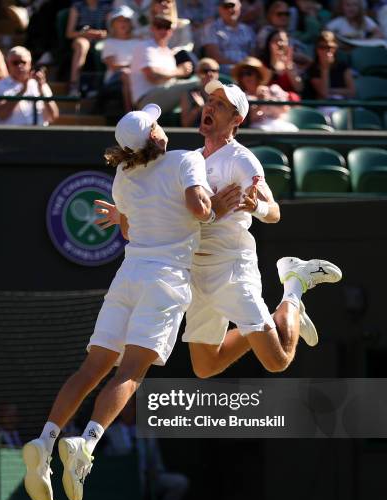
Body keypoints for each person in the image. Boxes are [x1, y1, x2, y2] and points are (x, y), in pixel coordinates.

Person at [22, 103, 235, 500]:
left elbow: (127, 228)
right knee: (131, 374)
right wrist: (217, 207)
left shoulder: (123, 174)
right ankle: (85, 444)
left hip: (129, 276)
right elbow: (199, 209)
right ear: (155, 136)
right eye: (156, 123)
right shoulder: (185, 159)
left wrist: (129, 212)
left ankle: (46, 438)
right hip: (165, 281)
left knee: (91, 369)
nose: (161, 125)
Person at [97, 81, 342, 379]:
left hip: (232, 269)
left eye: (220, 105)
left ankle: (293, 289)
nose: (209, 107)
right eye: (209, 101)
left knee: (276, 361)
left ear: (236, 120)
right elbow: (172, 207)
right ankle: (267, 322)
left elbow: (274, 212)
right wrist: (126, 211)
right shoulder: (191, 159)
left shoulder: (241, 159)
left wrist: (256, 208)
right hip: (195, 272)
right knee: (205, 366)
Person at [129, 11, 197, 111]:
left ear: (172, 30)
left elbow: (163, 79)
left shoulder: (169, 52)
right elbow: (152, 76)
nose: (163, 30)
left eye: (167, 26)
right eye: (159, 26)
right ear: (152, 28)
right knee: (198, 84)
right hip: (147, 101)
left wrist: (167, 74)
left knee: (202, 82)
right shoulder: (144, 46)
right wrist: (180, 71)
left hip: (164, 95)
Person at [0, 46, 59, 125]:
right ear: (8, 64)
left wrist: (41, 90)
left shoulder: (40, 84)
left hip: (38, 134)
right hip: (10, 134)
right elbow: (1, 115)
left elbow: (53, 116)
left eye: (23, 62)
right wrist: (22, 91)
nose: (19, 66)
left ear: (30, 64)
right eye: (15, 63)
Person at [97, 5, 140, 115]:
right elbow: (113, 66)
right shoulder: (109, 43)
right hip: (114, 80)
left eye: (126, 20)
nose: (123, 23)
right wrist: (133, 67)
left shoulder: (139, 42)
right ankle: (130, 114)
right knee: (126, 73)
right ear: (113, 23)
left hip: (137, 77)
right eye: (119, 20)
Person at [304, 30, 355, 119]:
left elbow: (351, 91)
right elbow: (324, 93)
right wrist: (325, 68)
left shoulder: (343, 66)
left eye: (330, 47)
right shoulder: (312, 69)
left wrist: (332, 91)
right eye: (322, 47)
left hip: (343, 103)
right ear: (316, 49)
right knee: (332, 113)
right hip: (324, 106)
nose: (326, 51)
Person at [66, 0, 111, 95]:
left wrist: (102, 34)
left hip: (101, 40)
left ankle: (104, 86)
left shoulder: (106, 6)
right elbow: (69, 33)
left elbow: (112, 30)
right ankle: (74, 85)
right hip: (82, 37)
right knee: (81, 45)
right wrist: (86, 33)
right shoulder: (77, 6)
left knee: (106, 46)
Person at [203, 0, 256, 75]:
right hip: (224, 72)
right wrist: (239, 66)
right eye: (226, 6)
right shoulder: (212, 28)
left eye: (232, 6)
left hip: (247, 70)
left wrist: (246, 66)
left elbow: (253, 54)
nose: (230, 9)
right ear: (220, 9)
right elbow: (214, 56)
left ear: (239, 6)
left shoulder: (248, 30)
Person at [259, 29, 303, 96]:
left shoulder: (292, 66)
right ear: (269, 44)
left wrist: (289, 68)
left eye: (282, 41)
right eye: (275, 41)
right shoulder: (261, 65)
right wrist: (274, 62)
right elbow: (260, 86)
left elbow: (299, 88)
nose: (279, 43)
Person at [180, 57, 220, 127]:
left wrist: (205, 107)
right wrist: (198, 108)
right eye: (205, 71)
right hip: (196, 134)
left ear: (218, 74)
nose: (209, 74)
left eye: (213, 71)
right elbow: (185, 123)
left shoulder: (225, 94)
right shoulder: (188, 94)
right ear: (198, 73)